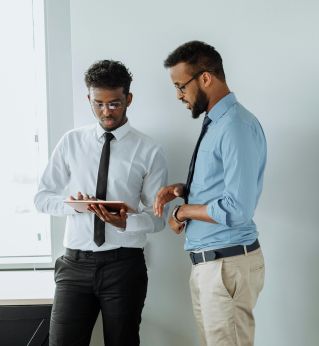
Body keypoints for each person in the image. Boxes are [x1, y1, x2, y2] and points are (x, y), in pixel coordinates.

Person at [34, 60, 167, 346]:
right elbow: (42, 198)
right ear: (89, 99)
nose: (106, 112)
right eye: (99, 104)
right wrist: (73, 205)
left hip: (124, 266)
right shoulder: (71, 141)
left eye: (115, 104)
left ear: (128, 99)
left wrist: (126, 222)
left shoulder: (149, 150)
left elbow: (159, 218)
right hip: (74, 265)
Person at [154, 41, 267, 346]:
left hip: (225, 267)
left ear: (205, 78)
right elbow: (221, 186)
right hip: (212, 266)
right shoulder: (216, 124)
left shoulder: (234, 126)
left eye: (180, 86)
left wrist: (182, 211)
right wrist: (184, 191)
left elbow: (237, 207)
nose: (179, 95)